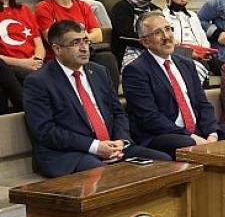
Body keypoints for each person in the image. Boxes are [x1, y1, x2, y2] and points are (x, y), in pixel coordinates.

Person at [23, 20, 171, 178]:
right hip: (70, 153)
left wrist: (120, 141)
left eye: (86, 41)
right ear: (57, 49)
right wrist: (95, 147)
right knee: (103, 173)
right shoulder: (39, 81)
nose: (84, 48)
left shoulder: (99, 72)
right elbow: (46, 131)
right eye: (75, 43)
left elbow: (118, 112)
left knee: (164, 162)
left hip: (111, 146)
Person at [122, 11, 225, 158]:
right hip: (163, 134)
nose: (167, 36)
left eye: (168, 29)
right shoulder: (135, 71)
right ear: (145, 42)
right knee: (187, 143)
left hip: (198, 131)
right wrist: (192, 137)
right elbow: (150, 118)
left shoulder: (186, 64)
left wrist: (212, 133)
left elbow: (203, 104)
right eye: (158, 32)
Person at [35, 0, 121, 88]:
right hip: (62, 59)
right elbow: (53, 39)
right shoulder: (43, 7)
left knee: (106, 57)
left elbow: (98, 35)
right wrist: (84, 37)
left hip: (85, 54)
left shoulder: (83, 6)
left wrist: (79, 39)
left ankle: (109, 99)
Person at [161, 0, 222, 82]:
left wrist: (204, 51)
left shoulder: (193, 15)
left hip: (202, 57)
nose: (184, 0)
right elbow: (168, 46)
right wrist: (191, 53)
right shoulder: (162, 17)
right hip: (180, 58)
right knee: (191, 69)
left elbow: (203, 39)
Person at [0, 0, 43, 114]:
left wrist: (37, 61)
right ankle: (31, 113)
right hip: (9, 67)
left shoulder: (24, 10)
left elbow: (39, 45)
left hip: (33, 65)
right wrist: (23, 63)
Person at [110, 0, 158, 67]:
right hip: (129, 55)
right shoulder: (121, 8)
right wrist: (152, 39)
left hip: (156, 51)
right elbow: (125, 35)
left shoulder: (155, 9)